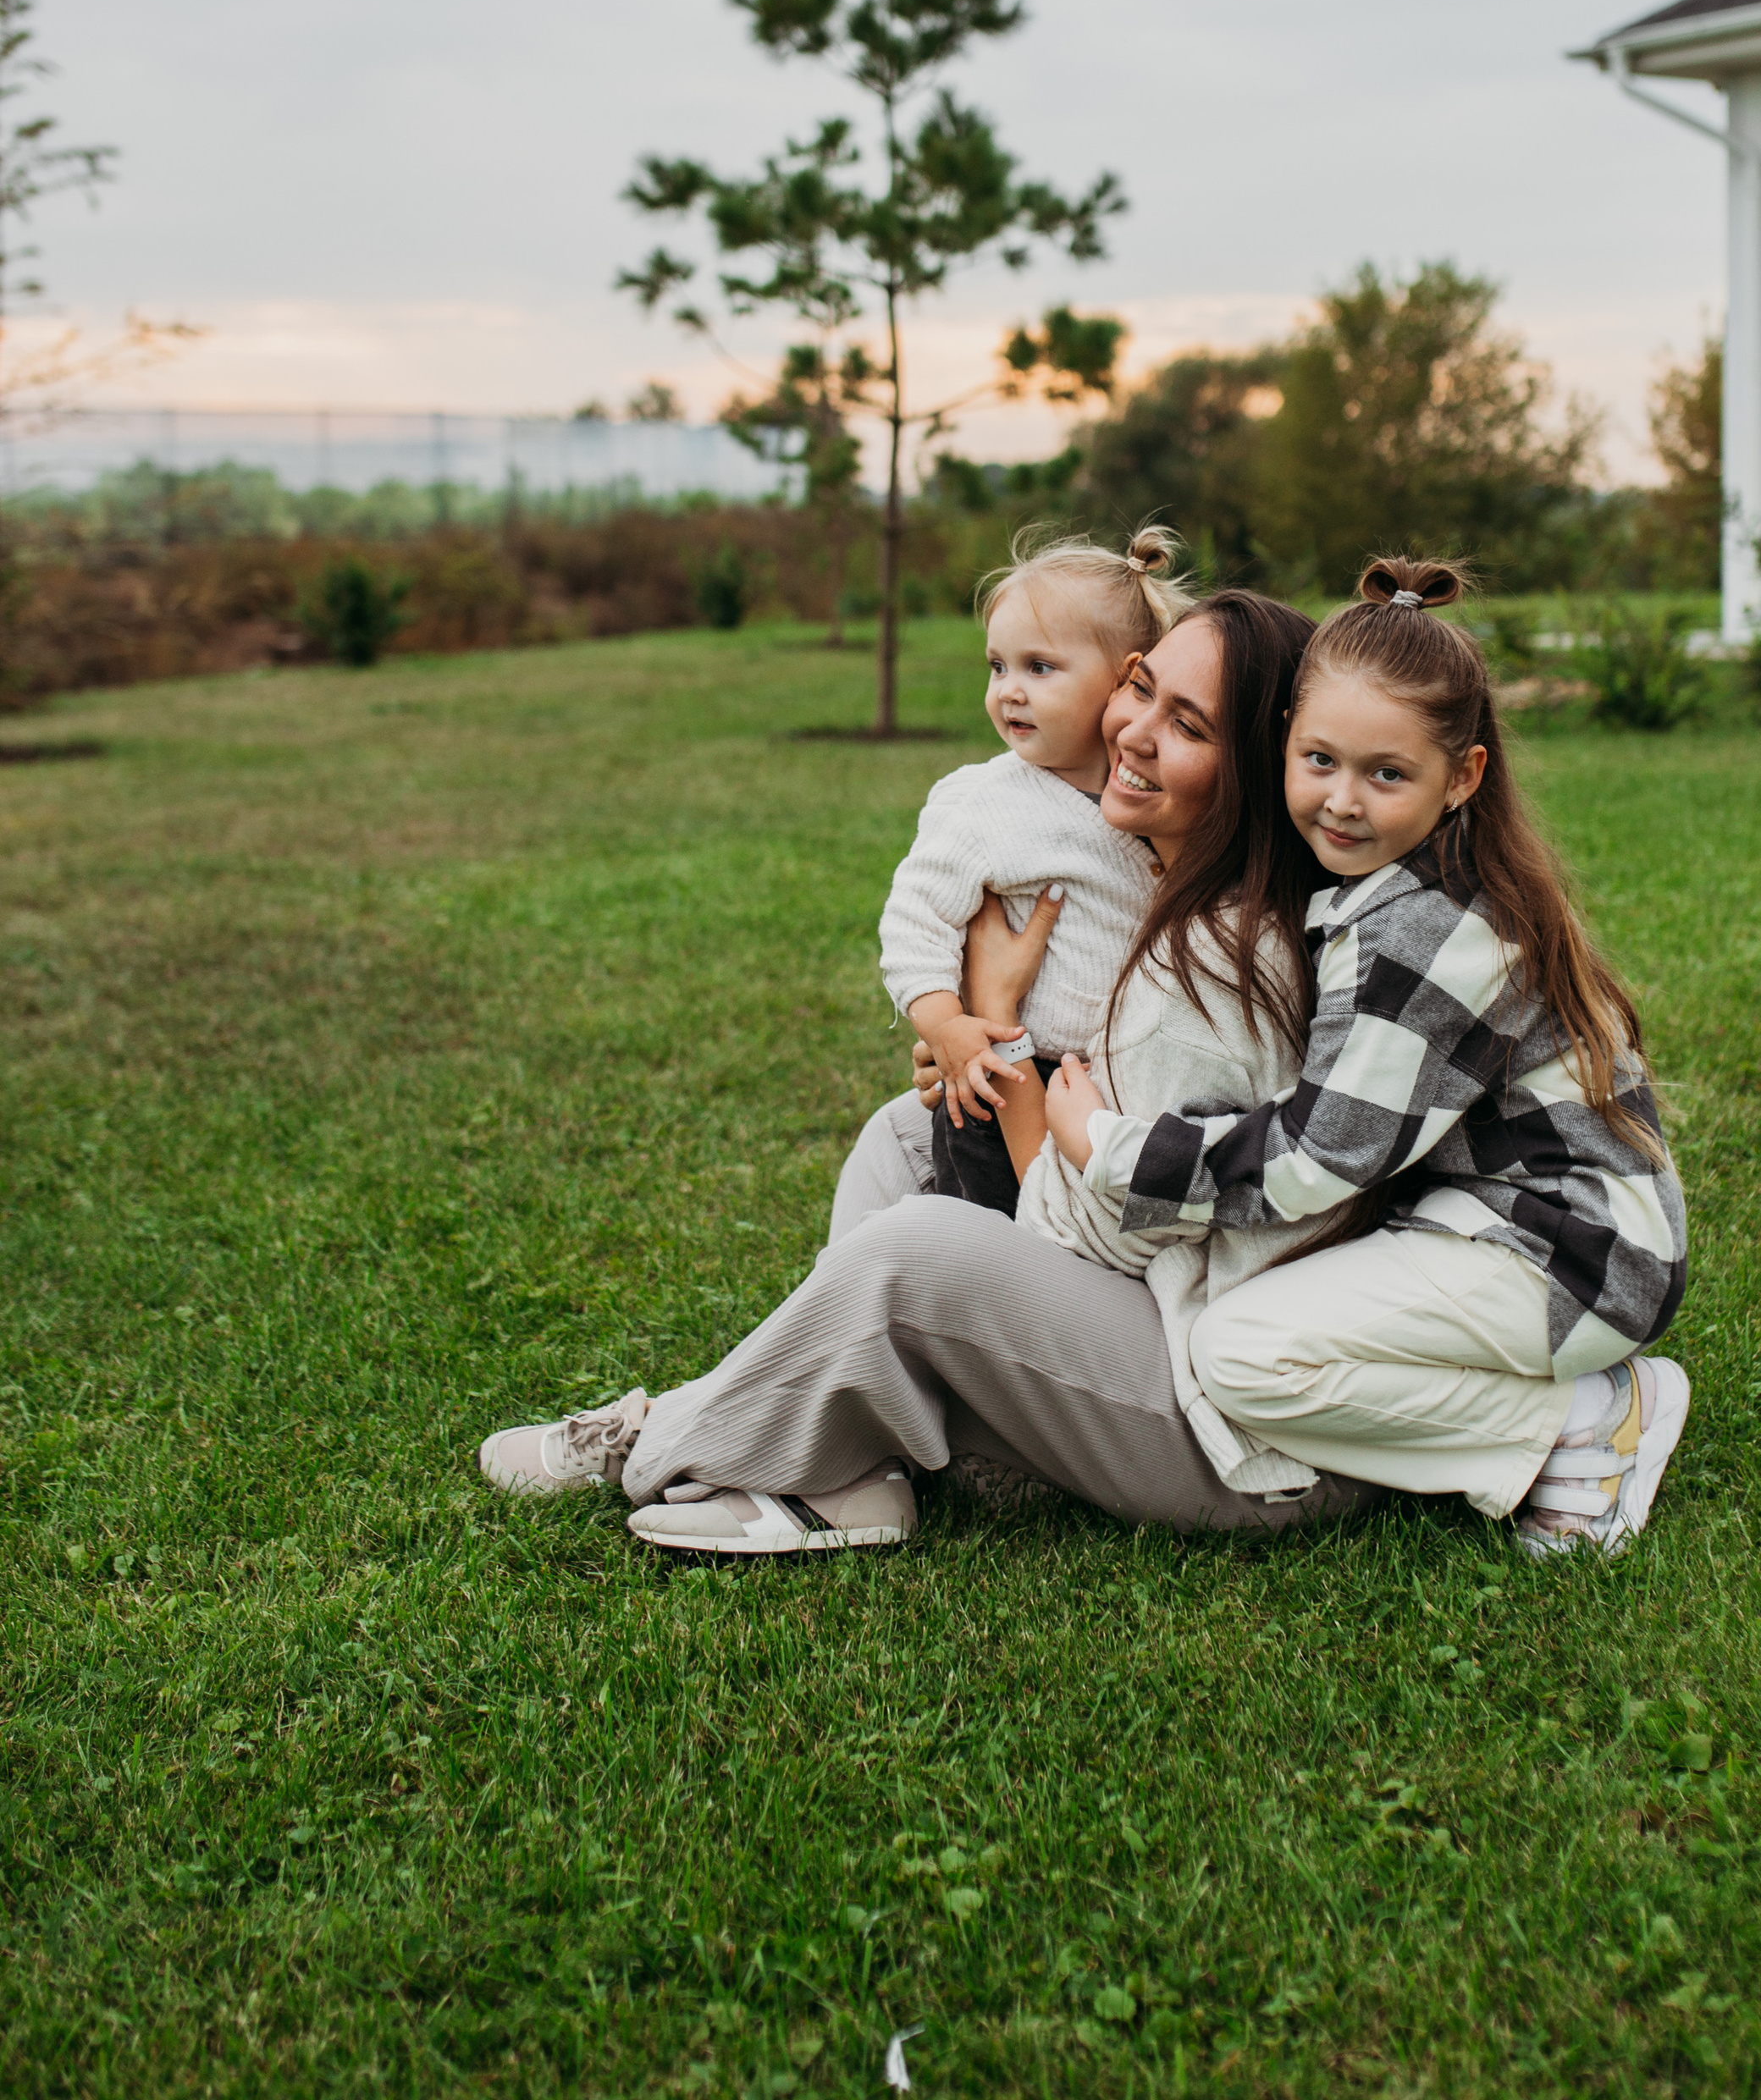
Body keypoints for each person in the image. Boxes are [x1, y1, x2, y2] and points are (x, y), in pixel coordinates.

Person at [477, 592, 1378, 1558]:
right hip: (1161, 1317)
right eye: (1140, 688)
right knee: (906, 1132)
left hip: (1222, 1430)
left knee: (920, 1249)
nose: (1133, 731)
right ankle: (856, 1471)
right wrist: (976, 1049)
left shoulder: (1211, 973)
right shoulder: (1170, 895)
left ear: (1254, 771)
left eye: (1188, 726)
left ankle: (660, 1442)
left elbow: (1098, 1238)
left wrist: (1005, 1045)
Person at [1044, 556, 1692, 1557]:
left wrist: (1113, 1151)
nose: (1343, 801)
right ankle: (1554, 1408)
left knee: (1243, 1353)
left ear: (1462, 777)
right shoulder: (1389, 885)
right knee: (1264, 1328)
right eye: (1319, 761)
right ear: (1282, 746)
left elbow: (1321, 1157)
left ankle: (1585, 1421)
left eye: (1386, 775)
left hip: (1568, 1255)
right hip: (1485, 1225)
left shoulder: (1428, 933)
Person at [879, 528, 1188, 1215]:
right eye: (998, 667)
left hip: (1111, 1082)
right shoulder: (984, 803)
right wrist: (946, 1029)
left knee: (1087, 1222)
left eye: (1039, 668)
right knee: (987, 1232)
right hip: (1002, 1076)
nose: (1009, 692)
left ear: (1126, 678)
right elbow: (914, 923)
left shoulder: (1146, 794)